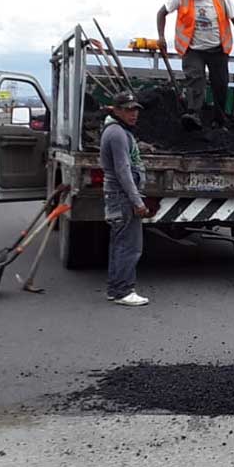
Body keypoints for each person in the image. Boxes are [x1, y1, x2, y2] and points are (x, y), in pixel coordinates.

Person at [156, 0, 234, 130]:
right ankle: (194, 114)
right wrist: (161, 36)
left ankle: (220, 119)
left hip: (217, 49)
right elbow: (161, 13)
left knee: (221, 84)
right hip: (192, 49)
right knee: (195, 78)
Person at [100, 91, 151, 306]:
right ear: (117, 110)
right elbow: (123, 171)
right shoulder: (117, 134)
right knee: (129, 246)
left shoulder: (119, 132)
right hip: (122, 198)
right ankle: (123, 291)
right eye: (128, 110)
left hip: (119, 197)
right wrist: (137, 201)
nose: (134, 114)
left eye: (135, 109)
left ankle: (116, 288)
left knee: (120, 243)